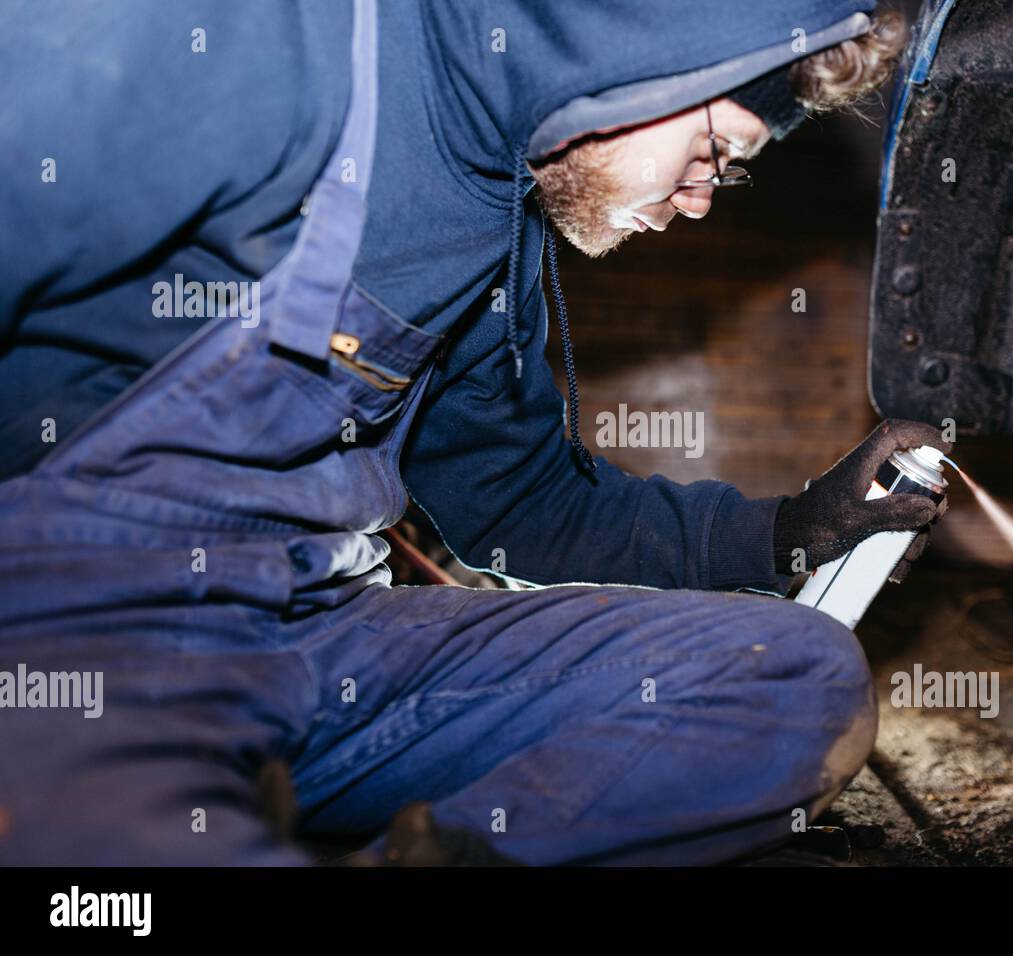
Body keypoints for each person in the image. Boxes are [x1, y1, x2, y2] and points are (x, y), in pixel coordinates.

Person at [0, 0, 948, 865]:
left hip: (327, 639)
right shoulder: (274, 45)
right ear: (653, 59)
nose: (702, 199)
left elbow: (519, 501)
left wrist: (786, 532)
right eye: (712, 152)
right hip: (85, 633)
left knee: (790, 678)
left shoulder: (502, 213)